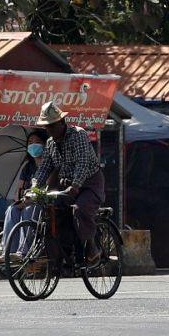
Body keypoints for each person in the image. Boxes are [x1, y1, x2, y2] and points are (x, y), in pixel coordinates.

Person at [30, 101, 105, 264]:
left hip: (89, 183)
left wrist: (76, 185)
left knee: (79, 209)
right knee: (53, 214)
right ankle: (62, 255)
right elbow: (44, 169)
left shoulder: (78, 134)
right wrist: (34, 188)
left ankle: (92, 246)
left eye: (53, 125)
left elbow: (82, 163)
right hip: (67, 186)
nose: (50, 130)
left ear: (62, 122)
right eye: (47, 127)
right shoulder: (50, 144)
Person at [1, 130, 47, 260]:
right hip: (27, 201)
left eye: (38, 143)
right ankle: (8, 252)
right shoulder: (28, 167)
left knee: (29, 211)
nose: (33, 146)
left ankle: (23, 252)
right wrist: (20, 199)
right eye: (30, 143)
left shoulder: (49, 165)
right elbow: (19, 190)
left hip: (43, 204)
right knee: (12, 209)